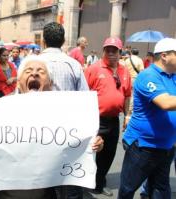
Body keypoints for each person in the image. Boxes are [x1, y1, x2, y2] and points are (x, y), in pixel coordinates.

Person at [0, 56, 104, 199]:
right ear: (19, 82)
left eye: (41, 71)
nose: (34, 73)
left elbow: (78, 144)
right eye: (28, 71)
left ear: (50, 83)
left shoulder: (64, 117)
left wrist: (92, 144)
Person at [38, 22, 98, 199]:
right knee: (69, 185)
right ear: (63, 41)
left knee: (43, 185)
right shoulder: (73, 65)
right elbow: (85, 104)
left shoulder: (29, 65)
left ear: (43, 41)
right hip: (69, 136)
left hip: (38, 137)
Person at [118, 38, 176, 199]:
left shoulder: (173, 76)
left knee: (160, 189)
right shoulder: (148, 76)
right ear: (164, 56)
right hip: (143, 146)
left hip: (166, 146)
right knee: (128, 188)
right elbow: (165, 102)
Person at [84, 36, 132, 196]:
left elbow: (126, 95)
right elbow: (83, 94)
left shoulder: (124, 70)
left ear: (120, 52)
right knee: (90, 151)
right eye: (108, 49)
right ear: (104, 50)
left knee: (109, 153)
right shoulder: (93, 69)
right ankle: (84, 180)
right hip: (95, 119)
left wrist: (127, 116)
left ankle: (99, 181)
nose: (111, 52)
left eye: (114, 50)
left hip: (113, 120)